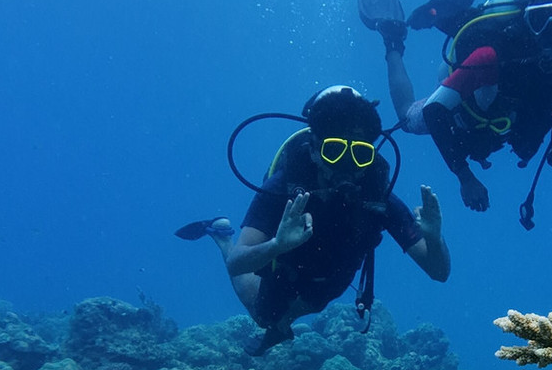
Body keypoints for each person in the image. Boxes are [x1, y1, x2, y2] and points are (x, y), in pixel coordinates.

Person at [179, 86, 450, 355]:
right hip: (286, 264)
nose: (347, 166)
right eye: (334, 151)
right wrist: (276, 245)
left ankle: (281, 325)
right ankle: (221, 236)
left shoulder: (378, 198)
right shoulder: (283, 187)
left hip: (334, 276)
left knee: (314, 303)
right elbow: (236, 263)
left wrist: (435, 239)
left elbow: (439, 272)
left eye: (360, 154)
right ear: (313, 149)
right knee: (263, 315)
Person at [359, 0, 552, 222]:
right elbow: (435, 111)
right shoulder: (492, 54)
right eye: (541, 19)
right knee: (408, 118)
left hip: (505, 123)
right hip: (464, 114)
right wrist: (464, 176)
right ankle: (393, 40)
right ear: (528, 14)